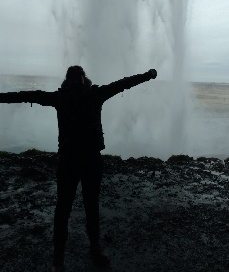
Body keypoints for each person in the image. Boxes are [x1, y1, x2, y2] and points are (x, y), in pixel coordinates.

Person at [0, 66, 157, 271]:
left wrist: (146, 76)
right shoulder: (93, 95)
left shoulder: (63, 97)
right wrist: (148, 75)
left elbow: (27, 96)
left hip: (71, 161)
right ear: (84, 79)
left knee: (66, 208)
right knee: (86, 207)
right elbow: (123, 84)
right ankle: (89, 251)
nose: (76, 81)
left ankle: (62, 258)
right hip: (87, 160)